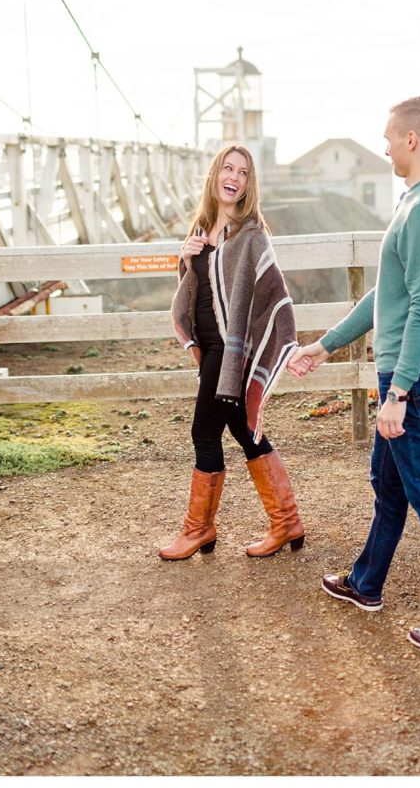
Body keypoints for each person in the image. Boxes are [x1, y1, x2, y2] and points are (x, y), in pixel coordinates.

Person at [287, 97, 420, 653]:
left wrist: (398, 392)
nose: (383, 146)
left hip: (414, 378)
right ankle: (366, 582)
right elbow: (389, 295)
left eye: (388, 136)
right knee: (389, 486)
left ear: (412, 139)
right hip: (409, 373)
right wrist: (326, 345)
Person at [159, 144, 305, 561]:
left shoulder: (251, 235)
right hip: (210, 351)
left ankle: (198, 530)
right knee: (244, 431)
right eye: (228, 168)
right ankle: (287, 521)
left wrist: (288, 344)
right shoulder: (203, 230)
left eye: (243, 172)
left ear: (248, 184)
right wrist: (185, 260)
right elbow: (200, 292)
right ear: (215, 175)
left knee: (203, 434)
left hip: (230, 353)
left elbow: (274, 294)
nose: (235, 177)